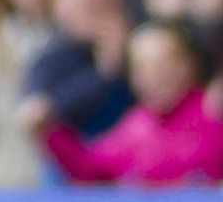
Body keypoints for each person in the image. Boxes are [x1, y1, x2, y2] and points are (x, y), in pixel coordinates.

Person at [29, 21, 223, 186]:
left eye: (164, 64)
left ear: (188, 64)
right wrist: (50, 131)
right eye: (143, 67)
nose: (155, 76)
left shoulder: (213, 113)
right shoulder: (135, 127)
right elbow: (89, 169)